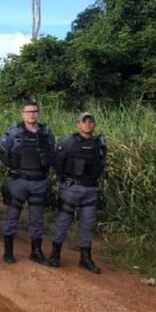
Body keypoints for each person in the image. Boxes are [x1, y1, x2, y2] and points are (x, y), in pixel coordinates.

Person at [47, 112, 107, 274]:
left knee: (87, 224)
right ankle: (55, 255)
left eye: (90, 121)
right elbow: (57, 162)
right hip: (71, 188)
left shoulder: (99, 144)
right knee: (63, 221)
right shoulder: (68, 142)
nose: (87, 124)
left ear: (94, 124)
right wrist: (65, 179)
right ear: (78, 124)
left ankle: (85, 258)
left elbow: (101, 164)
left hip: (91, 188)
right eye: (84, 121)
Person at [0, 101, 55, 264]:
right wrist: (14, 167)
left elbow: (51, 152)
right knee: (12, 216)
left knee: (36, 218)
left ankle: (36, 252)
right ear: (22, 114)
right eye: (28, 111)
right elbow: (2, 153)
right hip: (18, 181)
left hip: (39, 181)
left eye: (34, 111)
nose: (32, 114)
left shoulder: (46, 132)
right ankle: (8, 253)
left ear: (38, 113)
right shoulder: (13, 131)